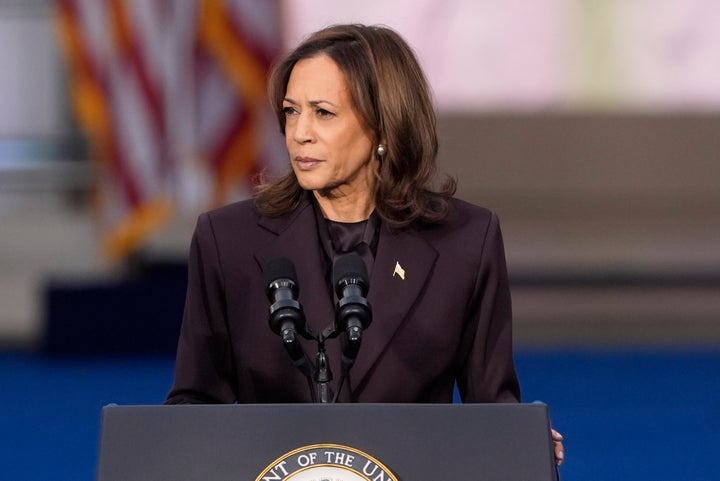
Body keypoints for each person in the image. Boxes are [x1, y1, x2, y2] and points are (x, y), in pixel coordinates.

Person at [165, 23, 563, 465]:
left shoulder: (465, 242)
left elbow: (491, 407)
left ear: (384, 129)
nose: (300, 133)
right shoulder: (228, 241)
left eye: (323, 113)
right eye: (292, 111)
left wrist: (521, 442)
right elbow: (193, 409)